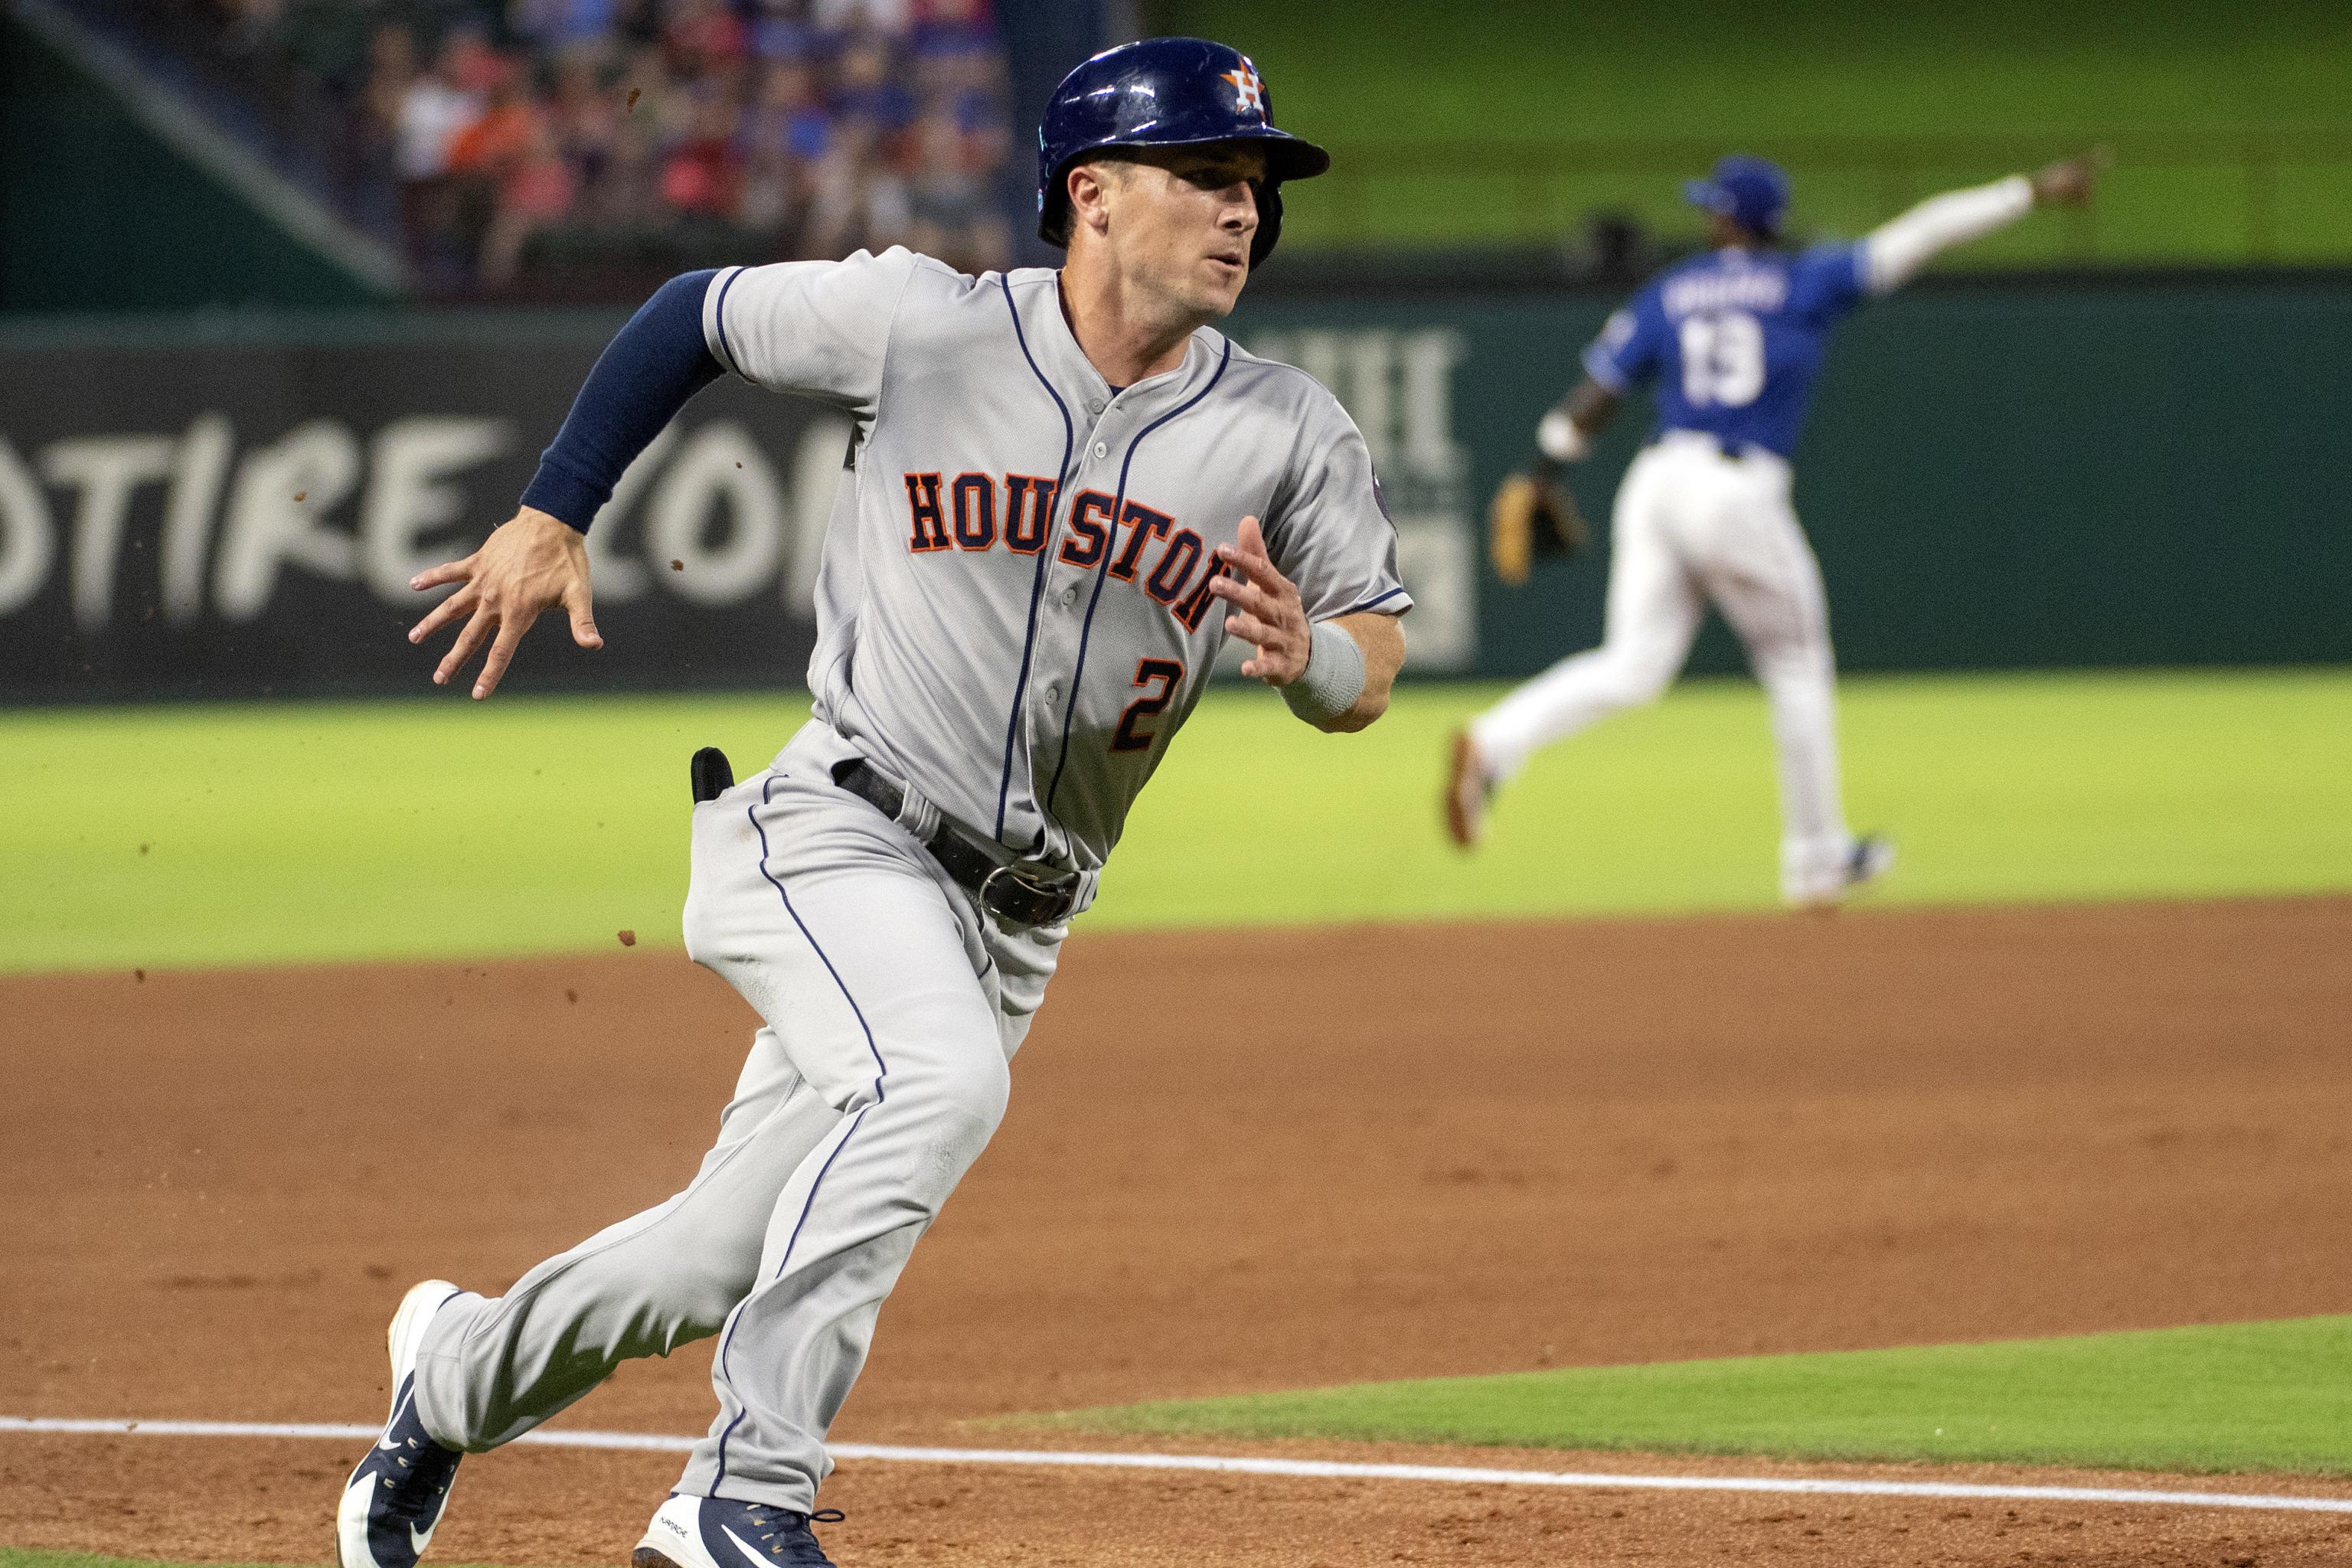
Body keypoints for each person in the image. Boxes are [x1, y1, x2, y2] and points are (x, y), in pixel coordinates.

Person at [336, 37, 1407, 1568]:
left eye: (1255, 186)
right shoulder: (925, 322)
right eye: (1206, 176)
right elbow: (689, 313)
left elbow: (1375, 657)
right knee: (940, 1087)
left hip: (1016, 920)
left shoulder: (1293, 430)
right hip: (840, 828)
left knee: (713, 1254)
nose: (1244, 211)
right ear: (1091, 196)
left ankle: (443, 1382)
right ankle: (743, 1494)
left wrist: (1310, 664)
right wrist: (554, 508)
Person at [1444, 152, 2100, 906]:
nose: (1703, 218)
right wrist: (2027, 191)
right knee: (1796, 664)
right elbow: (1921, 235)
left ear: (1727, 219)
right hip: (1734, 489)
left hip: (1658, 481)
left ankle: (1495, 742)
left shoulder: (1675, 288)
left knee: (1631, 665)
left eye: (1710, 209)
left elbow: (1593, 398)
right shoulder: (1806, 280)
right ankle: (1817, 858)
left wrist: (1541, 471)